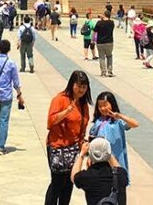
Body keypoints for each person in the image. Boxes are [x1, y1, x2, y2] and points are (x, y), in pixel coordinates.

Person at [46, 70, 92, 205]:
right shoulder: (60, 99)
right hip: (57, 146)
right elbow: (50, 121)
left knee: (69, 183)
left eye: (84, 87)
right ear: (72, 84)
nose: (81, 90)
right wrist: (66, 112)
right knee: (57, 183)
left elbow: (82, 127)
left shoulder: (83, 104)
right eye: (78, 86)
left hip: (73, 148)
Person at [89, 91, 139, 185]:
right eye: (100, 106)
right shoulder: (97, 122)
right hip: (101, 161)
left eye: (105, 105)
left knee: (117, 183)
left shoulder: (118, 121)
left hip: (117, 160)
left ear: (112, 104)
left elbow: (135, 124)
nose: (103, 108)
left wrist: (120, 116)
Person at [0, 39, 25, 154]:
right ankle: (0, 146)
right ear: (9, 50)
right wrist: (19, 94)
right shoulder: (11, 63)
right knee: (4, 120)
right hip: (6, 95)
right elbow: (16, 82)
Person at [72, 137, 128, 205]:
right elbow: (117, 166)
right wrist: (107, 153)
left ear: (90, 153)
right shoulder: (120, 174)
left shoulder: (87, 176)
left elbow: (73, 177)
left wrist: (81, 154)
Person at [95, 10, 116, 78]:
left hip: (100, 42)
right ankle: (110, 71)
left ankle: (103, 72)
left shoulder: (99, 23)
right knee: (109, 56)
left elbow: (95, 31)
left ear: (104, 15)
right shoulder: (112, 23)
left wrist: (92, 40)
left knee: (101, 57)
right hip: (109, 42)